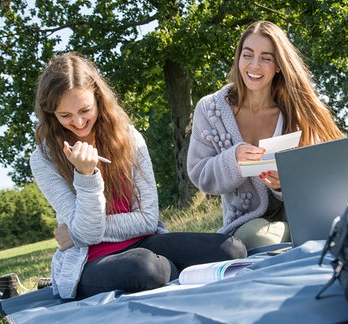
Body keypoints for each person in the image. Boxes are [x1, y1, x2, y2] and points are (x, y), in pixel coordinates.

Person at [30, 52, 246, 300]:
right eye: (65, 116)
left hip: (145, 242)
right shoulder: (44, 159)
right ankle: (170, 271)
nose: (78, 122)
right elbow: (88, 236)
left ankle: (170, 270)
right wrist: (85, 174)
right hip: (91, 260)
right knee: (149, 269)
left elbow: (147, 219)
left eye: (85, 110)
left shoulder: (129, 138)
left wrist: (75, 232)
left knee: (232, 250)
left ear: (99, 99)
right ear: (51, 115)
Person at [187, 21, 344, 249]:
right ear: (239, 57)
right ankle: (297, 238)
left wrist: (287, 180)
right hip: (248, 222)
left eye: (266, 58)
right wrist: (233, 161)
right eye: (247, 55)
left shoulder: (297, 110)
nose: (254, 65)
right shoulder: (211, 109)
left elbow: (321, 169)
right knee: (255, 239)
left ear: (279, 65)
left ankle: (299, 235)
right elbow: (199, 172)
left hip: (300, 209)